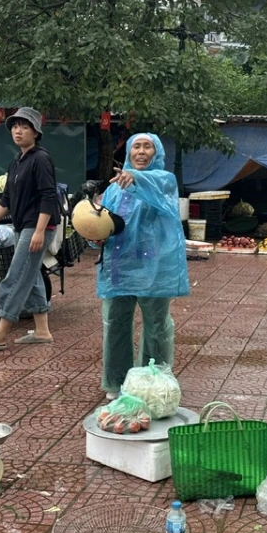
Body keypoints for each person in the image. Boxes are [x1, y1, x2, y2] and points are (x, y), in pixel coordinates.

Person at [92, 133, 190, 399]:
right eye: (137, 146)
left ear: (156, 153)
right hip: (119, 265)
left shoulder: (165, 180)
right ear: (129, 153)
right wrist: (95, 235)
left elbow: (156, 185)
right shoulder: (114, 188)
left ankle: (155, 381)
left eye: (148, 147)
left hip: (154, 266)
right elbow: (106, 222)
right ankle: (117, 381)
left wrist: (135, 178)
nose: (142, 151)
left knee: (156, 325)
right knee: (115, 323)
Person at [0, 107, 61, 351]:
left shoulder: (41, 159)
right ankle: (42, 331)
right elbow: (6, 200)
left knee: (17, 276)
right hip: (23, 226)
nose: (18, 131)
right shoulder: (17, 162)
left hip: (38, 227)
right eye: (15, 126)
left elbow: (48, 196)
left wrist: (41, 231)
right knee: (31, 279)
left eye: (24, 126)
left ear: (35, 132)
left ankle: (0, 334)